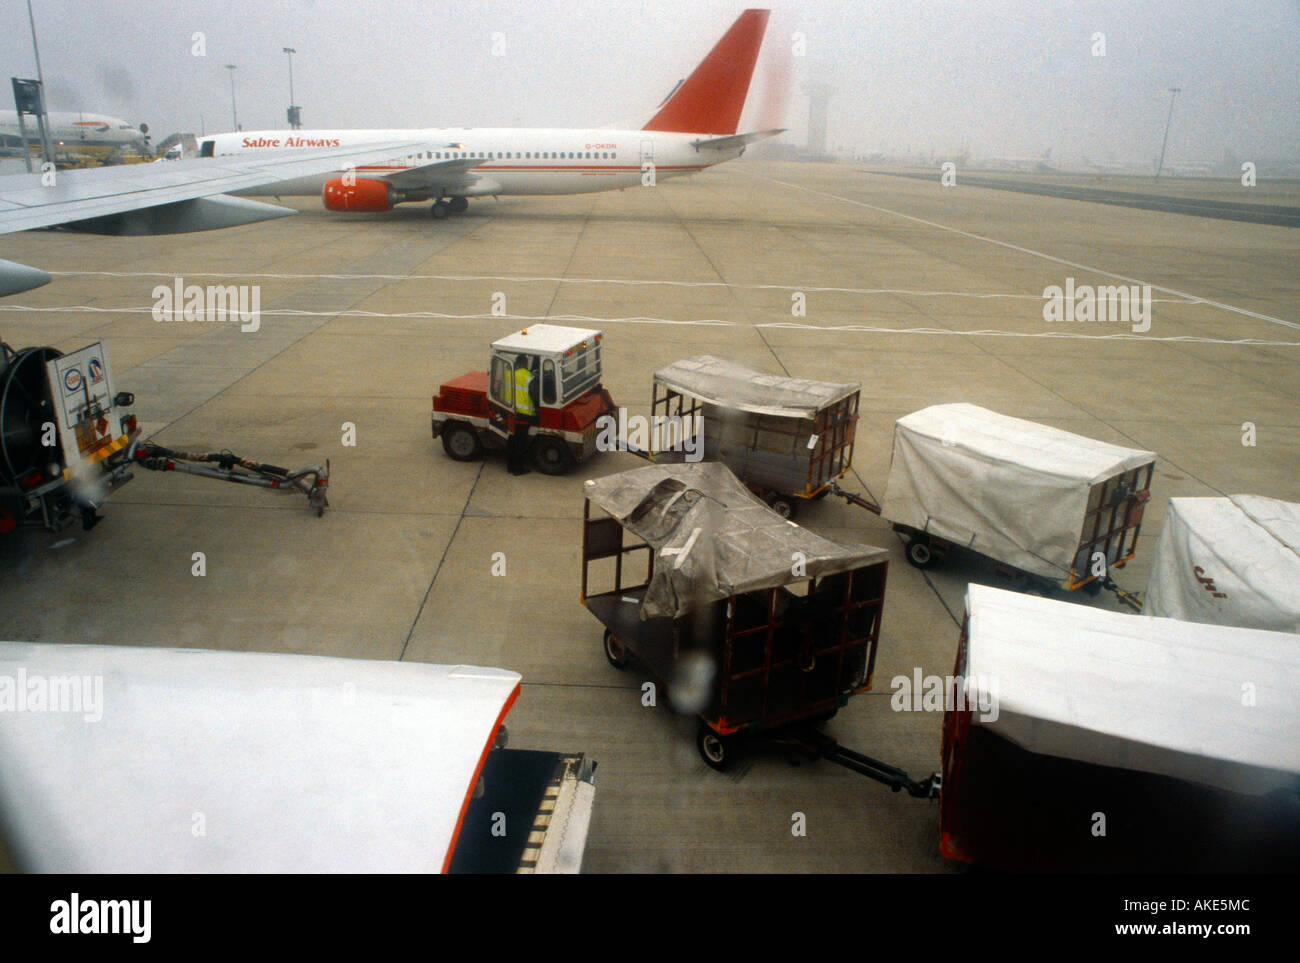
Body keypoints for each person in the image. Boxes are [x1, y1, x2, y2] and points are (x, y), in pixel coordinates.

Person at [506, 354, 538, 475]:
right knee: (521, 443)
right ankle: (518, 469)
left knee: (512, 441)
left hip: (510, 412)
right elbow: (535, 396)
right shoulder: (529, 377)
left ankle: (510, 467)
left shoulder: (508, 374)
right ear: (525, 363)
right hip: (524, 415)